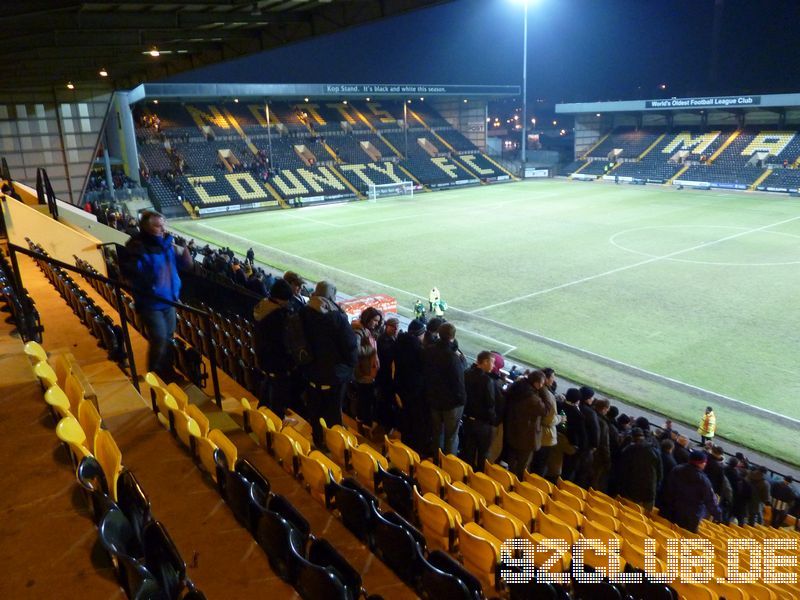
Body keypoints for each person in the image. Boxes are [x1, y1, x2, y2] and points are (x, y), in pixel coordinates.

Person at [120, 210, 191, 381]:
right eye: (157, 226)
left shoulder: (167, 244)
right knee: (159, 337)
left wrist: (186, 256)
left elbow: (181, 265)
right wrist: (149, 280)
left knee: (168, 338)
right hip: (151, 303)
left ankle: (167, 371)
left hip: (169, 300)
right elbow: (129, 271)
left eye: (163, 225)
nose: (162, 229)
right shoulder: (137, 247)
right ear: (146, 228)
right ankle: (153, 374)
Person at [300, 281, 357, 448]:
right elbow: (350, 346)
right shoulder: (336, 317)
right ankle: (335, 447)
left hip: (310, 372)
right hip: (333, 375)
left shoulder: (303, 311)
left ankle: (317, 438)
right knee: (333, 413)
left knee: (315, 409)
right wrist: (348, 367)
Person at [422, 322, 466, 455]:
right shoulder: (453, 357)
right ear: (453, 336)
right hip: (450, 404)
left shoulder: (429, 350)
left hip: (434, 399)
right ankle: (448, 467)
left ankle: (436, 460)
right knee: (451, 437)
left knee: (437, 434)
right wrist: (462, 401)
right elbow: (459, 383)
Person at [253, 279, 294, 417]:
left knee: (268, 384)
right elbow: (284, 343)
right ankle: (276, 425)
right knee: (278, 396)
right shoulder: (278, 316)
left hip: (263, 357)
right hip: (277, 362)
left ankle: (261, 415)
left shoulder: (262, 307)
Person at [661, 449, 722, 532]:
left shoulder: (677, 469)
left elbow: (668, 487)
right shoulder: (703, 480)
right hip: (689, 518)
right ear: (701, 463)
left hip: (670, 510)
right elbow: (710, 500)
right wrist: (718, 515)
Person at [503, 370, 548, 478]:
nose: (542, 386)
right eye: (541, 384)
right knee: (521, 466)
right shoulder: (532, 398)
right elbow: (545, 411)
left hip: (512, 430)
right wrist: (544, 392)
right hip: (525, 436)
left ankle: (505, 480)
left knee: (511, 461)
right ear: (536, 383)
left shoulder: (516, 388)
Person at [393, 319, 428, 454]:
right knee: (416, 423)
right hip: (414, 390)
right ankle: (414, 454)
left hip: (400, 387)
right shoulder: (417, 349)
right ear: (420, 334)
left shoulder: (399, 343)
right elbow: (422, 368)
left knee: (406, 420)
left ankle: (406, 451)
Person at [459, 351, 497, 472]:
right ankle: (479, 480)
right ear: (485, 362)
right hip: (482, 423)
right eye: (492, 362)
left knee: (468, 452)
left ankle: (467, 477)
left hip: (467, 419)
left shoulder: (466, 374)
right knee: (482, 455)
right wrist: (493, 420)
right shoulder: (486, 380)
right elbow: (490, 403)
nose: (493, 366)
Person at [352, 307, 383, 437]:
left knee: (365, 400)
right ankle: (364, 428)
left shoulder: (366, 330)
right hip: (363, 373)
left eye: (378, 321)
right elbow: (355, 350)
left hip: (367, 371)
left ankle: (363, 425)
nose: (376, 324)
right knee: (365, 401)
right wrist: (371, 350)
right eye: (375, 321)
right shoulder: (358, 330)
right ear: (368, 318)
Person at [617, 427, 662, 512]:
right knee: (644, 517)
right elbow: (660, 474)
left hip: (630, 489)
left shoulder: (628, 450)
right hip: (648, 490)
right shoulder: (654, 451)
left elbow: (622, 471)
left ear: (633, 437)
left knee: (626, 513)